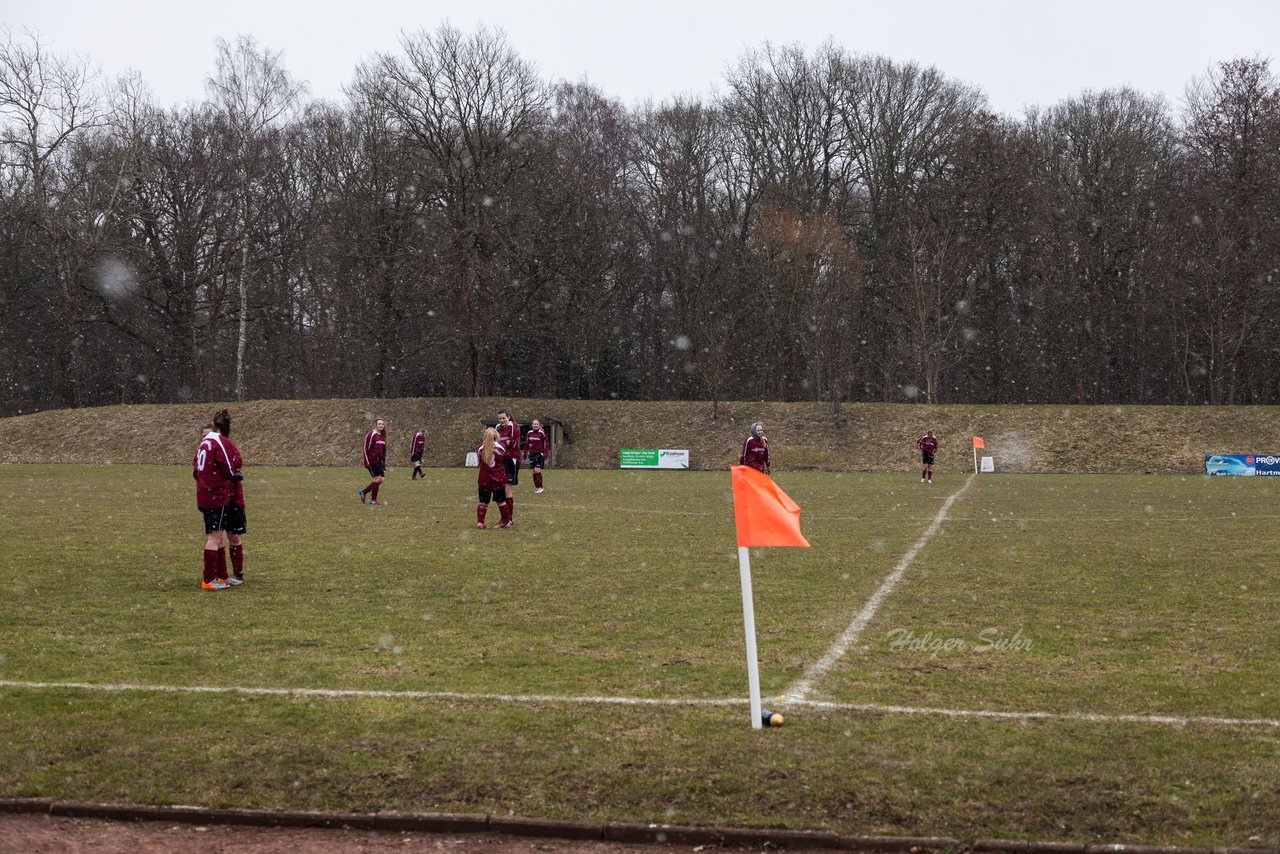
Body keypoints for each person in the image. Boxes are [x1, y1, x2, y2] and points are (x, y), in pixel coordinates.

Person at [193, 410, 243, 590]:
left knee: (219, 537)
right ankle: (208, 580)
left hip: (204, 494)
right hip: (217, 495)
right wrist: (233, 475)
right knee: (216, 537)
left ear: (213, 424)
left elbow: (195, 470)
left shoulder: (203, 443)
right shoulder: (219, 442)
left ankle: (222, 576)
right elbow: (229, 467)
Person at [476, 427, 511, 528]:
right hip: (498, 479)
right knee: (501, 501)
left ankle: (480, 522)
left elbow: (480, 460)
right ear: (497, 437)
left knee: (483, 502)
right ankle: (505, 521)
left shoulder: (480, 447)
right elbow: (507, 459)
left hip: (484, 479)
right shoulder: (502, 447)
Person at [495, 408, 521, 523]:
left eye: (503, 418)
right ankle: (504, 517)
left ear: (508, 417)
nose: (501, 420)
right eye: (499, 418)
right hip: (500, 460)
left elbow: (512, 443)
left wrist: (502, 444)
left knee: (507, 488)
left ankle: (509, 518)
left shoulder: (513, 426)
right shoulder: (497, 428)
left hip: (511, 459)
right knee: (500, 489)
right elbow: (495, 443)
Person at [360, 418, 387, 505]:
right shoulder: (371, 435)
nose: (381, 425)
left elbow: (383, 452)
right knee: (377, 479)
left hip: (379, 461)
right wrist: (367, 461)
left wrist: (384, 463)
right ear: (376, 425)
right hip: (372, 460)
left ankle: (363, 492)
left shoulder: (382, 437)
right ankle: (373, 500)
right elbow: (365, 448)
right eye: (379, 424)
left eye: (382, 424)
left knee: (381, 479)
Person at [524, 419, 549, 493]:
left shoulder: (542, 433)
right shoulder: (529, 433)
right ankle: (537, 487)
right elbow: (526, 444)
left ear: (539, 425)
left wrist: (545, 453)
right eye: (534, 424)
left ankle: (540, 487)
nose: (535, 425)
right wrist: (525, 453)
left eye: (537, 424)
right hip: (532, 454)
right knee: (534, 471)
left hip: (539, 453)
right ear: (532, 425)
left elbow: (546, 443)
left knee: (537, 469)